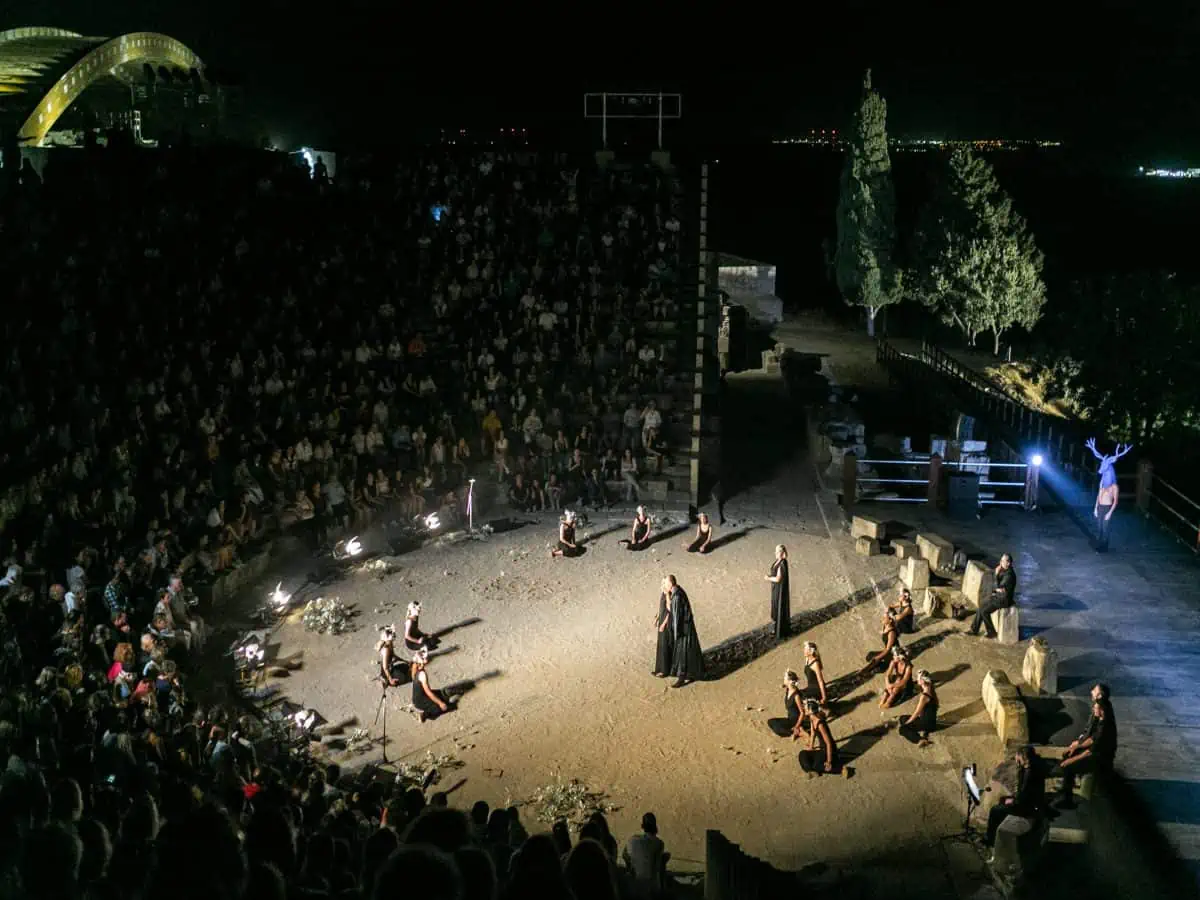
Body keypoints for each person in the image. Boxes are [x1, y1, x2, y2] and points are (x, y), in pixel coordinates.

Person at [1055, 684, 1117, 807]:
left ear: (1101, 711)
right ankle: (1066, 786)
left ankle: (1067, 800)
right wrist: (1077, 746)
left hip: (1100, 757)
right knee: (1068, 754)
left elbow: (1092, 750)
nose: (1094, 710)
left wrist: (1072, 759)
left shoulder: (1105, 727)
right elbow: (1091, 737)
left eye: (1096, 709)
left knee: (1068, 765)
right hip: (1093, 751)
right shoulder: (1102, 715)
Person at [986, 745, 1046, 847]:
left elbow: (1024, 796)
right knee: (1002, 800)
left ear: (1023, 758)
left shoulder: (1029, 774)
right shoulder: (1031, 767)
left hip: (1027, 809)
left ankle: (991, 841)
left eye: (1018, 757)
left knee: (995, 810)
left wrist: (1013, 801)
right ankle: (996, 834)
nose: (1016, 759)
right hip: (1027, 802)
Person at [664, 575, 703, 688]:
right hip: (687, 627)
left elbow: (675, 615)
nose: (665, 586)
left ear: (670, 584)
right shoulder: (679, 591)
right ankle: (689, 674)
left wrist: (676, 633)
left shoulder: (676, 596)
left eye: (666, 584)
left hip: (683, 629)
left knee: (682, 653)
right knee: (688, 651)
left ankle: (682, 677)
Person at [968, 553, 1016, 639]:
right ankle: (974, 629)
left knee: (984, 611)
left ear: (1008, 563)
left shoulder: (1009, 575)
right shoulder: (1004, 570)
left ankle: (991, 632)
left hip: (1003, 600)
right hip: (999, 596)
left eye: (1002, 561)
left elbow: (999, 587)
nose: (1000, 562)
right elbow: (996, 586)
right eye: (1000, 560)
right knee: (982, 606)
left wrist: (996, 575)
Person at [622, 812, 670, 899]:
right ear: (655, 826)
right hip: (650, 889)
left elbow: (624, 855)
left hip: (633, 886)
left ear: (642, 826)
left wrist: (631, 867)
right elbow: (657, 867)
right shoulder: (659, 843)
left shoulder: (632, 840)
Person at [798, 700, 845, 777]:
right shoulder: (812, 719)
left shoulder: (820, 724)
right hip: (822, 750)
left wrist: (829, 761)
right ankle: (812, 771)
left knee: (816, 765)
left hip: (828, 751)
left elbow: (828, 743)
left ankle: (841, 769)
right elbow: (813, 734)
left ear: (811, 711)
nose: (804, 709)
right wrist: (811, 747)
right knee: (802, 754)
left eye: (806, 708)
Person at [898, 670, 938, 746]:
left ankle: (920, 740)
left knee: (902, 729)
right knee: (902, 718)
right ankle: (920, 731)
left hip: (927, 724)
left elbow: (916, 713)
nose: (917, 680)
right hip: (932, 723)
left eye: (919, 679)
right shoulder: (932, 691)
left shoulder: (924, 696)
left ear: (923, 681)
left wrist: (907, 724)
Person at [411, 648, 451, 722]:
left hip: (416, 698)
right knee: (441, 707)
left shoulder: (414, 668)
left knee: (441, 695)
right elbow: (428, 692)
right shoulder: (422, 674)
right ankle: (424, 715)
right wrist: (440, 703)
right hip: (420, 701)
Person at [767, 669, 806, 738]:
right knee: (771, 722)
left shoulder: (796, 696)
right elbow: (787, 684)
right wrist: (784, 684)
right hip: (789, 718)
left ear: (790, 681)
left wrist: (797, 726)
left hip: (795, 720)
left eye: (785, 678)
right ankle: (794, 731)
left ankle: (796, 732)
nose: (784, 679)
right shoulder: (788, 689)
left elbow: (802, 713)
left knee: (777, 728)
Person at [861, 609, 901, 674]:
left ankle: (866, 670)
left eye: (885, 618)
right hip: (887, 650)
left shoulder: (891, 633)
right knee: (869, 656)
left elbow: (888, 649)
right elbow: (883, 632)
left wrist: (878, 657)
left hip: (892, 653)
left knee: (875, 667)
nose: (882, 619)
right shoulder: (885, 626)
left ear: (890, 620)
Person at [765, 543, 790, 640]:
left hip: (779, 590)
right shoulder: (778, 561)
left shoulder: (782, 563)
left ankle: (778, 630)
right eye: (776, 551)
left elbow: (778, 579)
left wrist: (768, 578)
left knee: (777, 607)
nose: (776, 553)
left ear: (783, 552)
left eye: (778, 551)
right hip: (775, 589)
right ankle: (776, 628)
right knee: (774, 606)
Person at [652, 585, 674, 678]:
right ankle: (659, 668)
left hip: (666, 624)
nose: (662, 585)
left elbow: (670, 611)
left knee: (665, 646)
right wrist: (656, 618)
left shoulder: (669, 595)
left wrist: (664, 624)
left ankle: (665, 671)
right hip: (661, 621)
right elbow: (661, 607)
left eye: (664, 583)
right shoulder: (663, 594)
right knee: (661, 646)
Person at [799, 641, 828, 710]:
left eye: (805, 649)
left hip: (816, 689)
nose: (804, 651)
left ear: (811, 652)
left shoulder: (815, 664)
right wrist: (807, 644)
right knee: (797, 693)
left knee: (803, 698)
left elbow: (820, 681)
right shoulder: (807, 659)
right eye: (804, 649)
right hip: (810, 687)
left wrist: (824, 697)